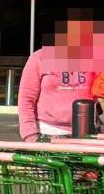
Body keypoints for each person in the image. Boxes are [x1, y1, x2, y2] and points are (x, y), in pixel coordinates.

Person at [18, 13, 98, 141]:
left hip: (87, 133)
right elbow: (26, 100)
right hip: (47, 133)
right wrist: (30, 134)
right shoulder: (39, 58)